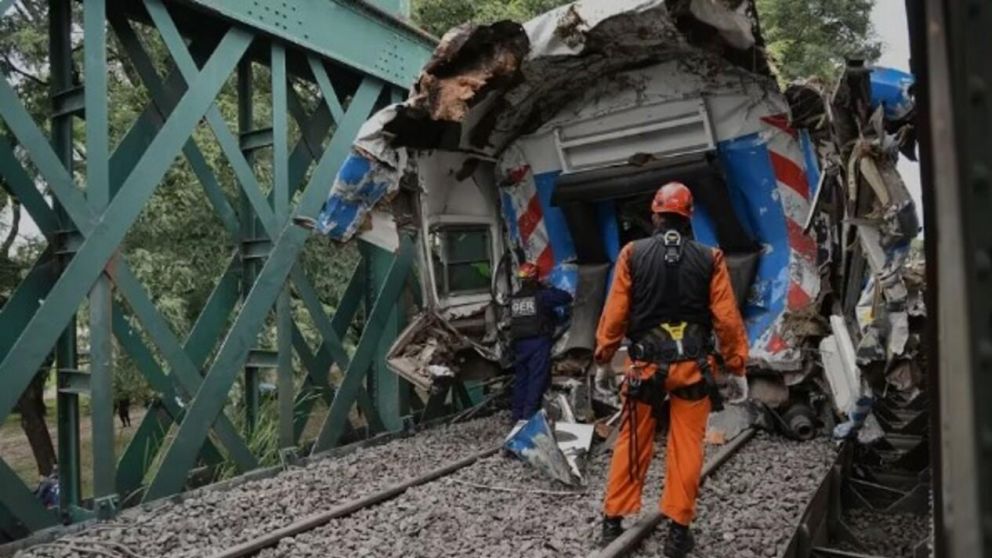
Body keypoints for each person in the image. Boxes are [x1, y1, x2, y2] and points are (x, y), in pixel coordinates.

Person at [595, 182, 750, 557]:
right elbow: (727, 319)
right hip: (693, 369)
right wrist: (737, 366)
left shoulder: (632, 254)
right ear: (689, 217)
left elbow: (614, 314)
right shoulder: (710, 258)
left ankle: (613, 520)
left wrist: (604, 358)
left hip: (645, 368)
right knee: (686, 448)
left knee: (633, 442)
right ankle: (678, 532)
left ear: (655, 214)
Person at [509, 262, 573, 423]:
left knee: (521, 380)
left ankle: (516, 417)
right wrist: (547, 286)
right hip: (537, 343)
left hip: (519, 345)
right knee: (536, 380)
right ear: (536, 277)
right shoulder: (542, 296)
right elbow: (566, 297)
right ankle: (528, 418)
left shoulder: (515, 299)